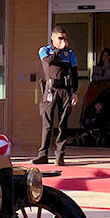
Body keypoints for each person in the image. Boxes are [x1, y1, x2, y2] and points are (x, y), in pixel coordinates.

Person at [32, 26, 78, 166]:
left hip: (65, 90)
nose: (63, 41)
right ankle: (43, 154)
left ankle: (60, 155)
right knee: (47, 123)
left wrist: (75, 92)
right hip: (50, 89)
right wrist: (58, 50)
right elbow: (47, 62)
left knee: (62, 123)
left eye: (64, 38)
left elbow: (74, 73)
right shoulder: (45, 50)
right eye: (60, 38)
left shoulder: (69, 53)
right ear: (52, 38)